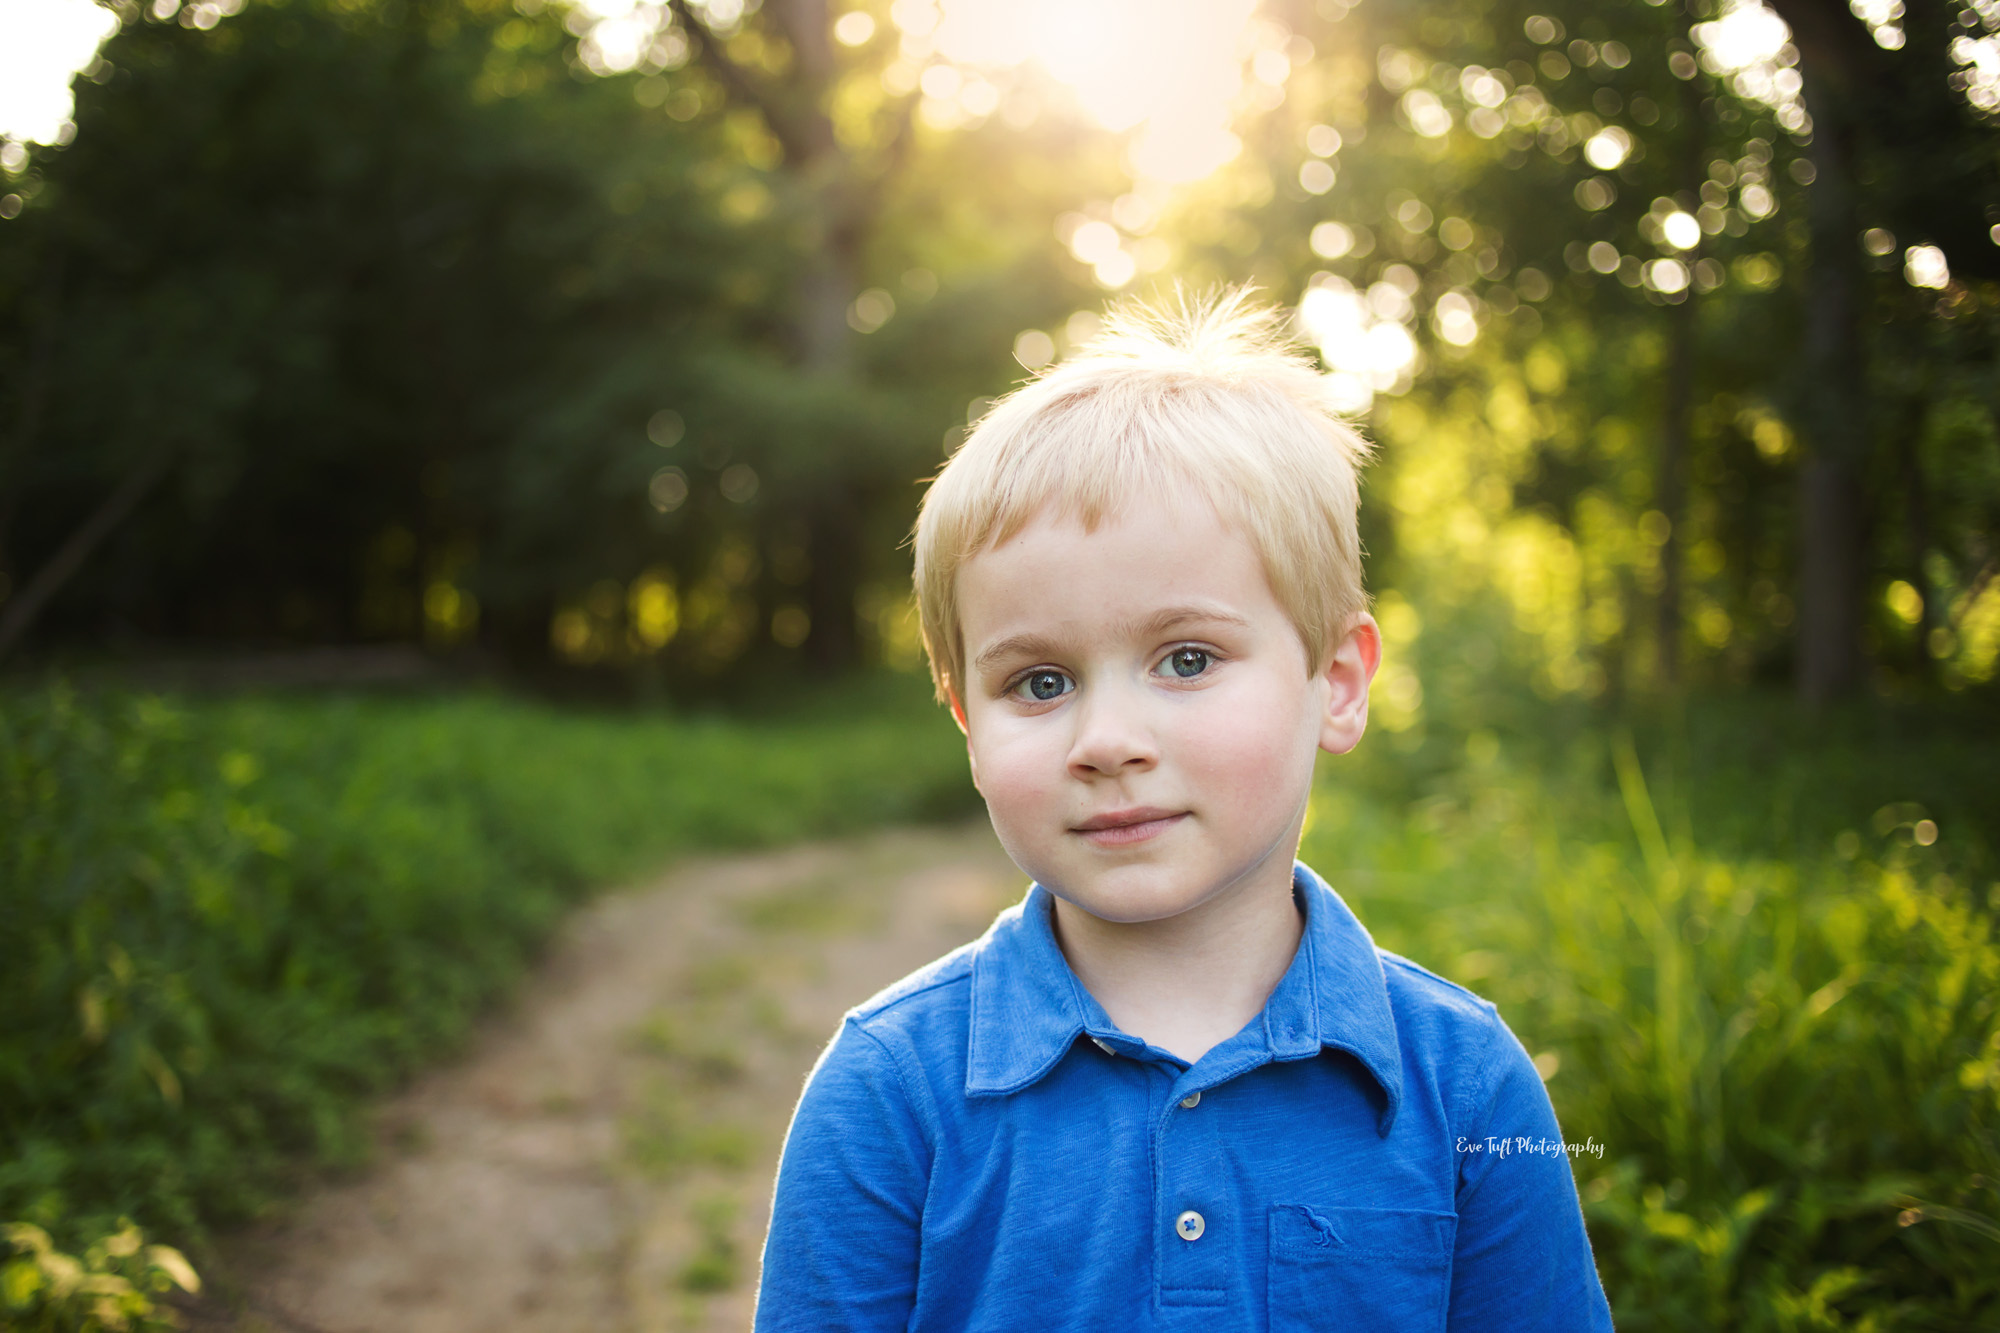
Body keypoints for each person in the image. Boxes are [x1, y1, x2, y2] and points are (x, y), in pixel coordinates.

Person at [752, 288, 1614, 1331]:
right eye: (1037, 682)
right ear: (965, 722)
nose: (1106, 738)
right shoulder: (888, 1093)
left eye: (1186, 658)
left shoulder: (1465, 1088)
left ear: (1335, 681)